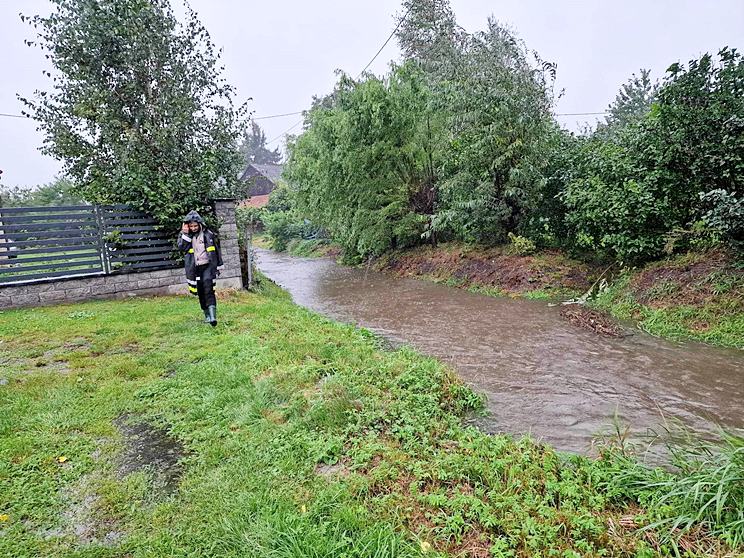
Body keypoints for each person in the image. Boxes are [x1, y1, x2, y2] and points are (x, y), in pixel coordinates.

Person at [177, 210, 223, 326]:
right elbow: (181, 247)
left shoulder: (208, 234)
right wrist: (185, 234)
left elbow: (216, 250)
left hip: (207, 266)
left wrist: (219, 265)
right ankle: (207, 315)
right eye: (191, 226)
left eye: (195, 225)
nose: (193, 228)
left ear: (200, 224)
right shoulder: (184, 235)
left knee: (209, 289)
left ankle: (213, 317)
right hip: (195, 268)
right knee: (201, 291)